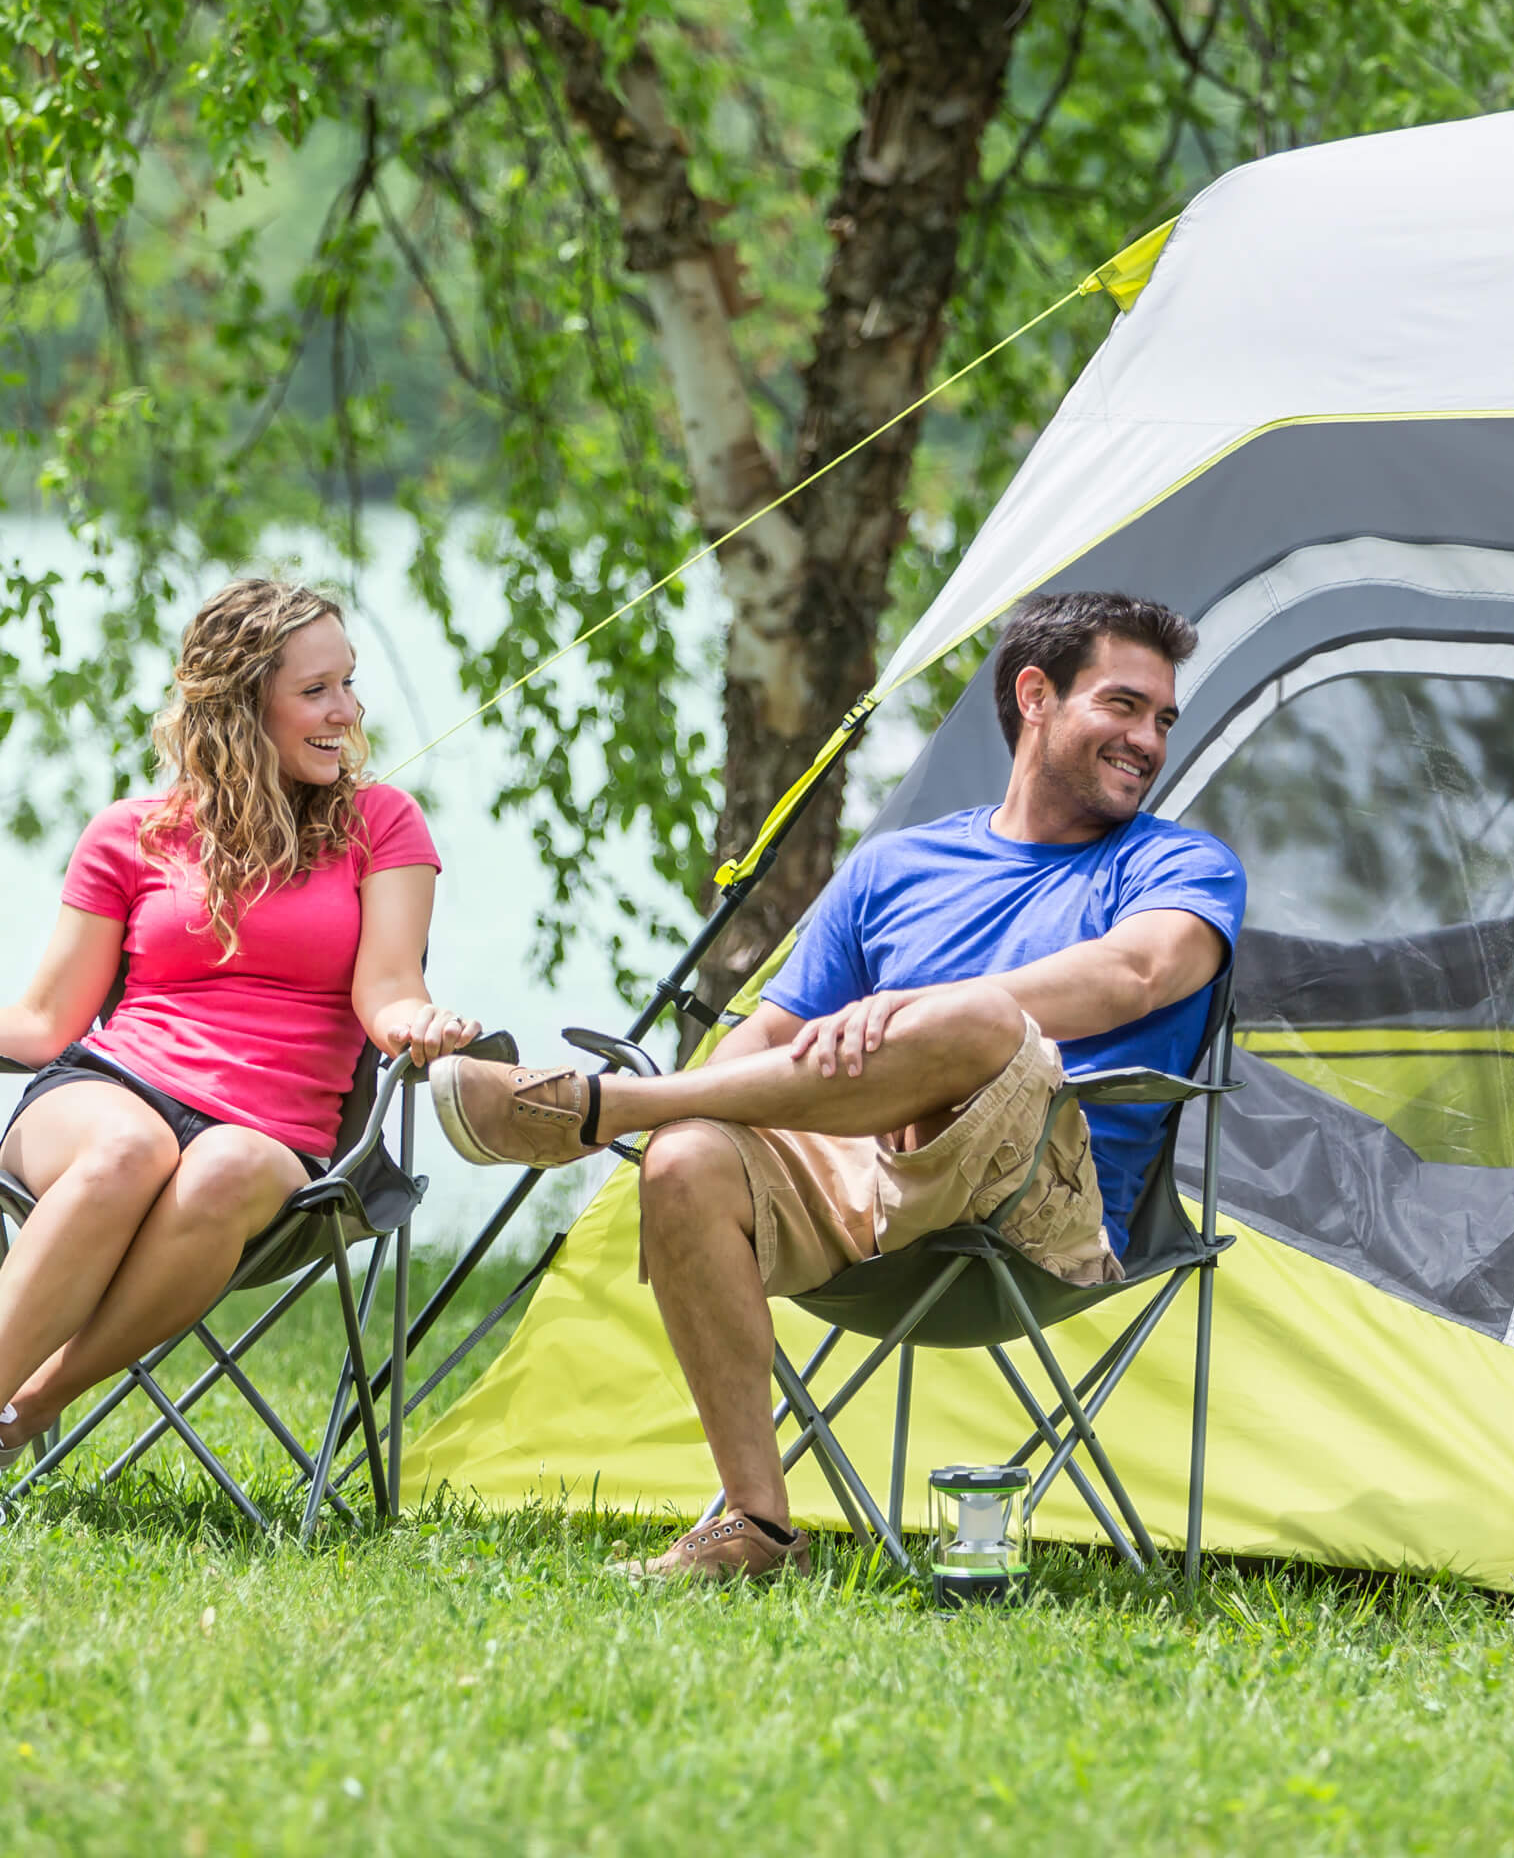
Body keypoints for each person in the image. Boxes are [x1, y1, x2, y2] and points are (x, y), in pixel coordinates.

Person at [429, 590, 1247, 1581]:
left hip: (1045, 1210)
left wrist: (926, 1013)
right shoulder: (895, 866)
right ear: (1035, 695)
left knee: (979, 1016)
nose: (1148, 738)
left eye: (1162, 717)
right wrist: (765, 1083)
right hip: (873, 1192)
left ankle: (601, 1109)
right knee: (687, 1157)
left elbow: (1139, 975)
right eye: (1122, 705)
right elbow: (762, 1036)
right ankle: (752, 1525)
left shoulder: (1178, 862)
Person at [0, 578, 481, 1470]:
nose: (348, 710)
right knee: (126, 1151)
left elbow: (387, 984)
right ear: (237, 707)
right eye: (315, 690)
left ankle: (28, 1405)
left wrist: (421, 1022)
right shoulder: (131, 834)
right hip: (108, 1093)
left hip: (272, 1142)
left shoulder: (381, 823)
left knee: (219, 1166)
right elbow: (42, 1022)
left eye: (349, 682)